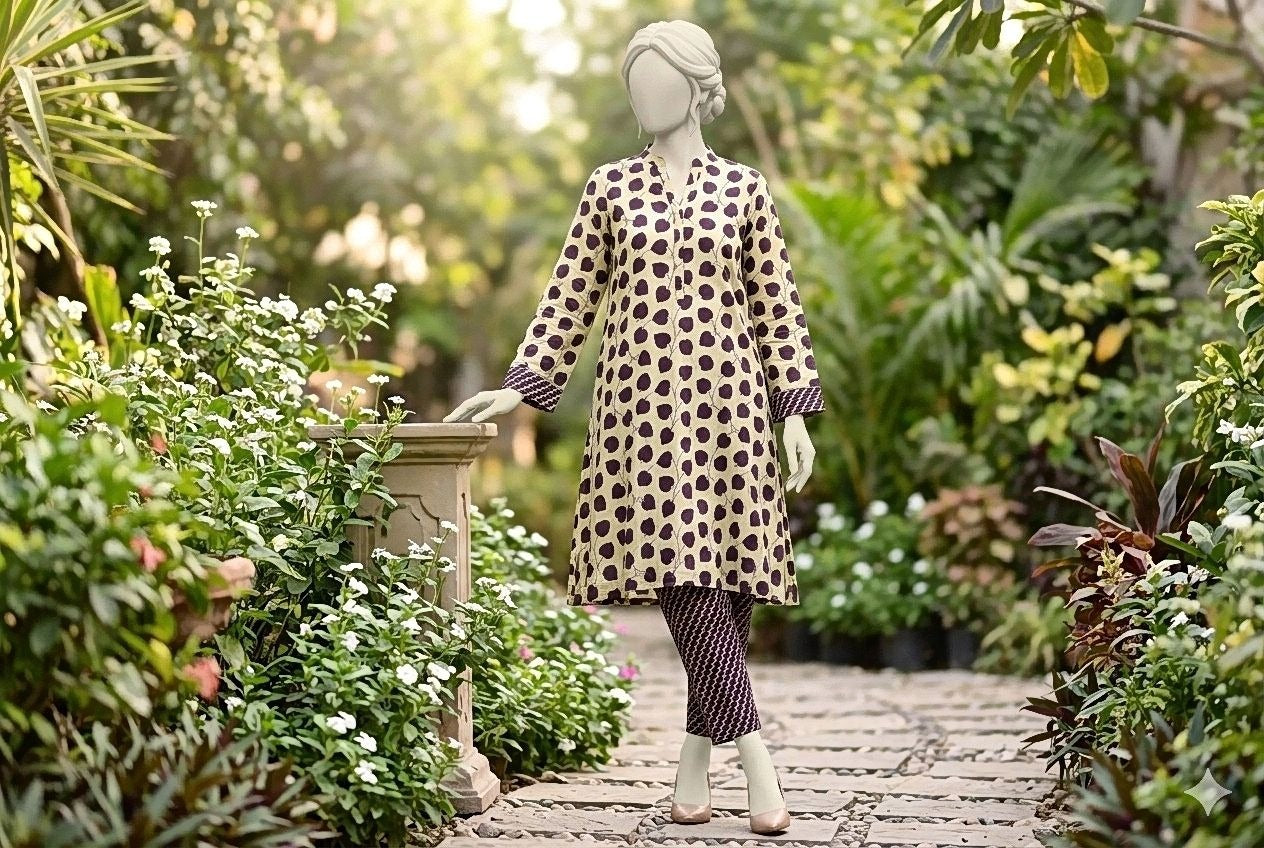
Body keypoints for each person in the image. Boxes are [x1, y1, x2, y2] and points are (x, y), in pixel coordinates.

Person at [445, 19, 825, 835]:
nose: (645, 97)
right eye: (635, 85)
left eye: (658, 81)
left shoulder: (745, 191)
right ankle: (759, 763)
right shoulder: (610, 187)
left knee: (726, 587)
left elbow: (778, 307)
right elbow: (569, 297)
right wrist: (521, 387)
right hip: (640, 418)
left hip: (733, 410)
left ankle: (692, 770)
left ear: (697, 87)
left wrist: (795, 411)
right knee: (686, 579)